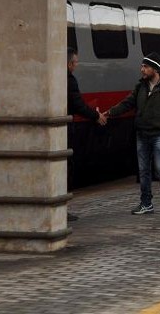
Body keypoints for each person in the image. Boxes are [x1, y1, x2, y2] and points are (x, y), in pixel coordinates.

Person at [105, 52, 160, 214]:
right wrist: (109, 113)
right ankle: (146, 203)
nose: (142, 69)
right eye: (142, 66)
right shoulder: (140, 87)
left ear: (155, 68)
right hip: (142, 133)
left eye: (145, 66)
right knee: (143, 170)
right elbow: (126, 104)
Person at [66, 47, 107, 221]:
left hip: (57, 128)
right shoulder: (69, 80)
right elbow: (78, 105)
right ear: (69, 63)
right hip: (63, 128)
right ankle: (61, 209)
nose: (76, 66)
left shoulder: (52, 76)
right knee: (65, 167)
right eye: (75, 63)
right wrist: (97, 115)